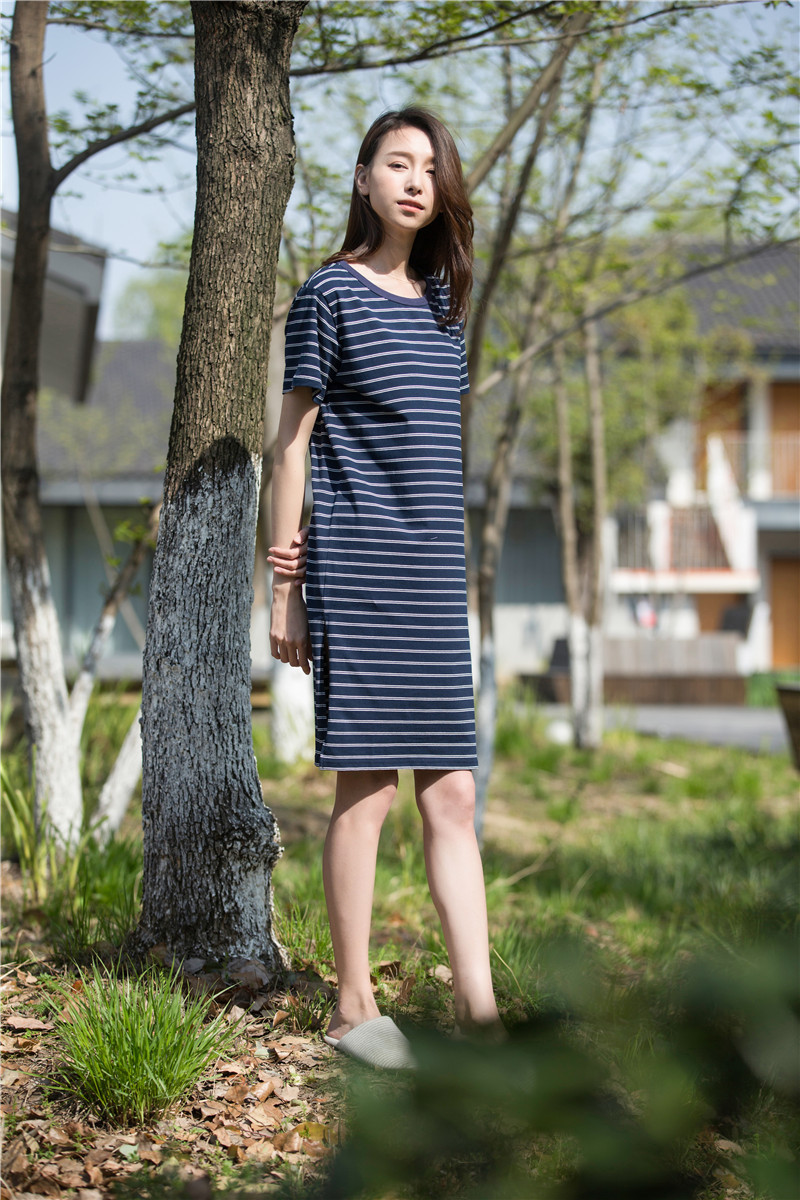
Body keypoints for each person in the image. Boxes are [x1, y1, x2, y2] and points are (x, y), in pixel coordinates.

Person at [268, 107, 501, 1069]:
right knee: (366, 794)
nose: (414, 181)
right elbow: (291, 445)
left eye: (430, 169)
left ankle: (482, 1021)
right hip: (358, 571)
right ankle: (352, 1007)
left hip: (433, 581)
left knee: (454, 798)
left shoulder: (444, 306)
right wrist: (284, 587)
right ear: (363, 178)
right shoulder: (328, 292)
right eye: (397, 163)